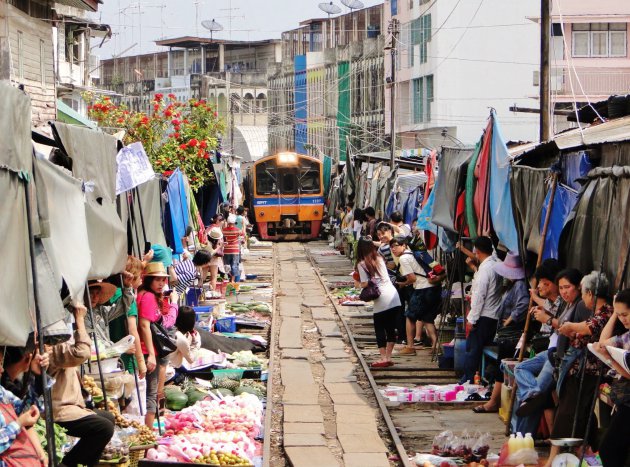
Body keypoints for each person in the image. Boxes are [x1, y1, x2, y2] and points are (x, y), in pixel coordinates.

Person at [544, 271, 612, 467]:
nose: (582, 297)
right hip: (576, 370)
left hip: (588, 373)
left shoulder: (605, 312)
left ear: (590, 293)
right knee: (577, 413)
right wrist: (571, 330)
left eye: (583, 292)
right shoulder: (593, 311)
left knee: (567, 413)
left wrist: (569, 326)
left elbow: (589, 328)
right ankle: (584, 453)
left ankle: (552, 458)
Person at [513, 268, 589, 435]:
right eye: (561, 288)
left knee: (531, 401)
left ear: (578, 287)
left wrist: (548, 319)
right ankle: (532, 394)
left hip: (562, 357)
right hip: (551, 351)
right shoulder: (564, 303)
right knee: (521, 370)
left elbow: (577, 334)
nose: (564, 291)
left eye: (567, 287)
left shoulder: (581, 306)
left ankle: (522, 438)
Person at [49, 304, 115, 467]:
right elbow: (82, 352)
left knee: (108, 417)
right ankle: (67, 464)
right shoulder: (52, 346)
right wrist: (80, 319)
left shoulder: (58, 345)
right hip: (59, 409)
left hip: (72, 405)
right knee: (104, 427)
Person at [473, 252, 529, 413]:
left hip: (512, 334)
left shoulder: (519, 285)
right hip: (506, 333)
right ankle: (495, 401)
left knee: (501, 367)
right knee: (500, 366)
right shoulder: (513, 285)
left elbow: (523, 305)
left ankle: (493, 402)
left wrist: (510, 319)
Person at [136, 262, 175, 427]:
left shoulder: (142, 294)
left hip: (147, 350)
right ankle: (148, 433)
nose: (161, 284)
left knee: (147, 393)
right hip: (148, 350)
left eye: (163, 280)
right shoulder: (148, 297)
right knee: (150, 393)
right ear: (149, 280)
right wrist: (151, 354)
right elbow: (144, 325)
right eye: (157, 280)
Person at [391, 236, 444, 356]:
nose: (393, 249)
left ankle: (410, 347)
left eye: (396, 246)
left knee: (409, 316)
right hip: (434, 288)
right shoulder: (417, 254)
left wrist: (403, 284)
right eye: (391, 247)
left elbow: (412, 278)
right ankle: (436, 345)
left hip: (422, 289)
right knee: (427, 318)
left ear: (404, 245)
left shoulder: (404, 258)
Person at [595, 288, 630, 467]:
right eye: (619, 315)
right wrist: (614, 315)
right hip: (624, 399)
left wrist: (611, 360)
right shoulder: (626, 335)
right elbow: (602, 343)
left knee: (609, 449)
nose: (623, 319)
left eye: (625, 314)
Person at [461, 237, 502, 383]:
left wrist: (472, 319)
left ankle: (468, 379)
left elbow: (479, 297)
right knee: (478, 350)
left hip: (484, 316)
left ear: (477, 251)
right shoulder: (495, 264)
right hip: (493, 315)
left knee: (473, 350)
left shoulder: (486, 269)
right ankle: (476, 378)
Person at [355, 237, 402, 368]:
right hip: (394, 297)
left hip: (381, 299)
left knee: (380, 329)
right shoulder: (380, 259)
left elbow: (365, 283)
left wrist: (358, 284)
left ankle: (382, 358)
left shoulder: (362, 263)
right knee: (391, 328)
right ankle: (388, 357)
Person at [0, 347, 48, 466]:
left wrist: (37, 376)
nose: (1, 369)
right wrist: (18, 424)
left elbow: (25, 409)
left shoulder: (1, 392)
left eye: (1, 363)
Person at [107, 256, 147, 378]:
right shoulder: (127, 299)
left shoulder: (108, 294)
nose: (141, 278)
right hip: (126, 358)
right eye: (139, 275)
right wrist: (140, 362)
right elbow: (132, 330)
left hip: (110, 357)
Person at [222, 214, 242, 284]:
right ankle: (233, 280)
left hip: (226, 250)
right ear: (234, 222)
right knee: (234, 265)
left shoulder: (223, 231)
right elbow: (242, 235)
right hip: (235, 250)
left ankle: (227, 279)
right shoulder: (237, 231)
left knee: (226, 265)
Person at [205, 227, 225, 293]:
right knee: (213, 277)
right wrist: (220, 246)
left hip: (206, 259)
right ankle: (212, 292)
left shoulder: (207, 241)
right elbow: (213, 252)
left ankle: (201, 291)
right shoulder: (217, 242)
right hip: (214, 259)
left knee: (203, 277)